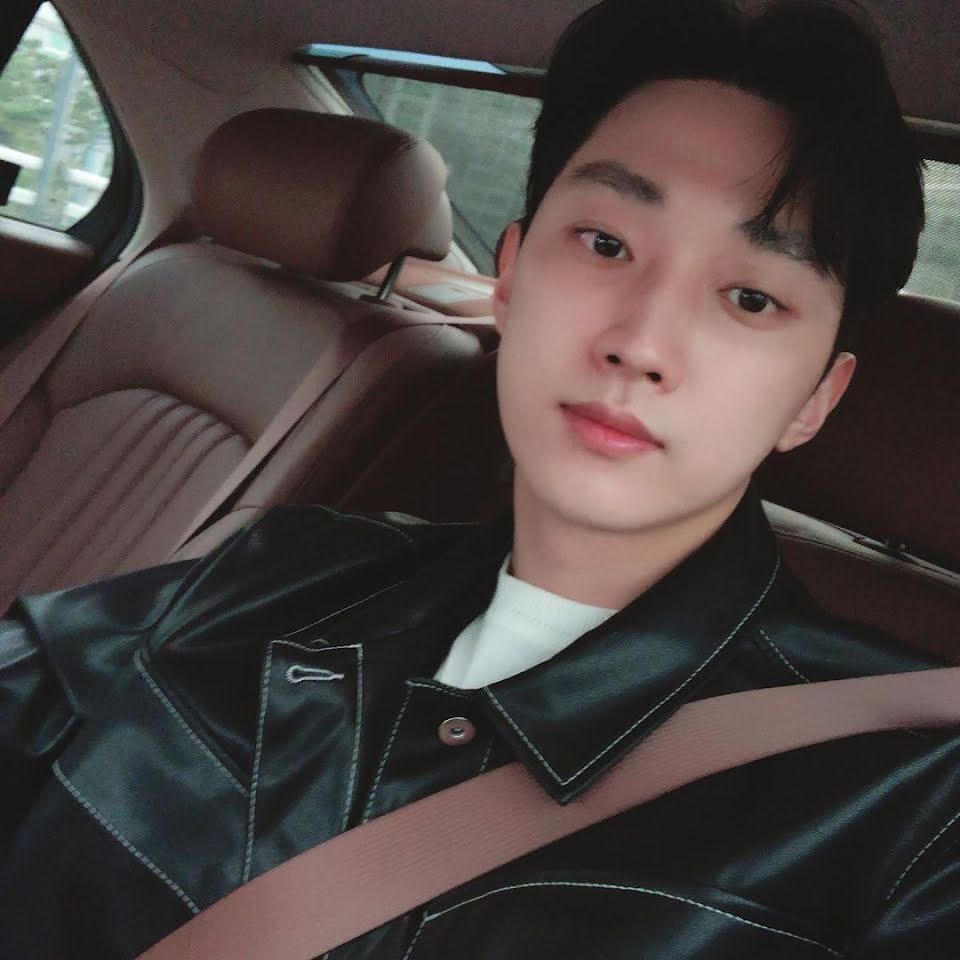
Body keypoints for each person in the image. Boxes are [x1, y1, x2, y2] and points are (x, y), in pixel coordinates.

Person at [1, 0, 956, 956]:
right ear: (510, 278)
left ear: (814, 400)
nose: (641, 344)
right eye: (607, 244)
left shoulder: (913, 802)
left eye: (750, 297)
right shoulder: (274, 571)